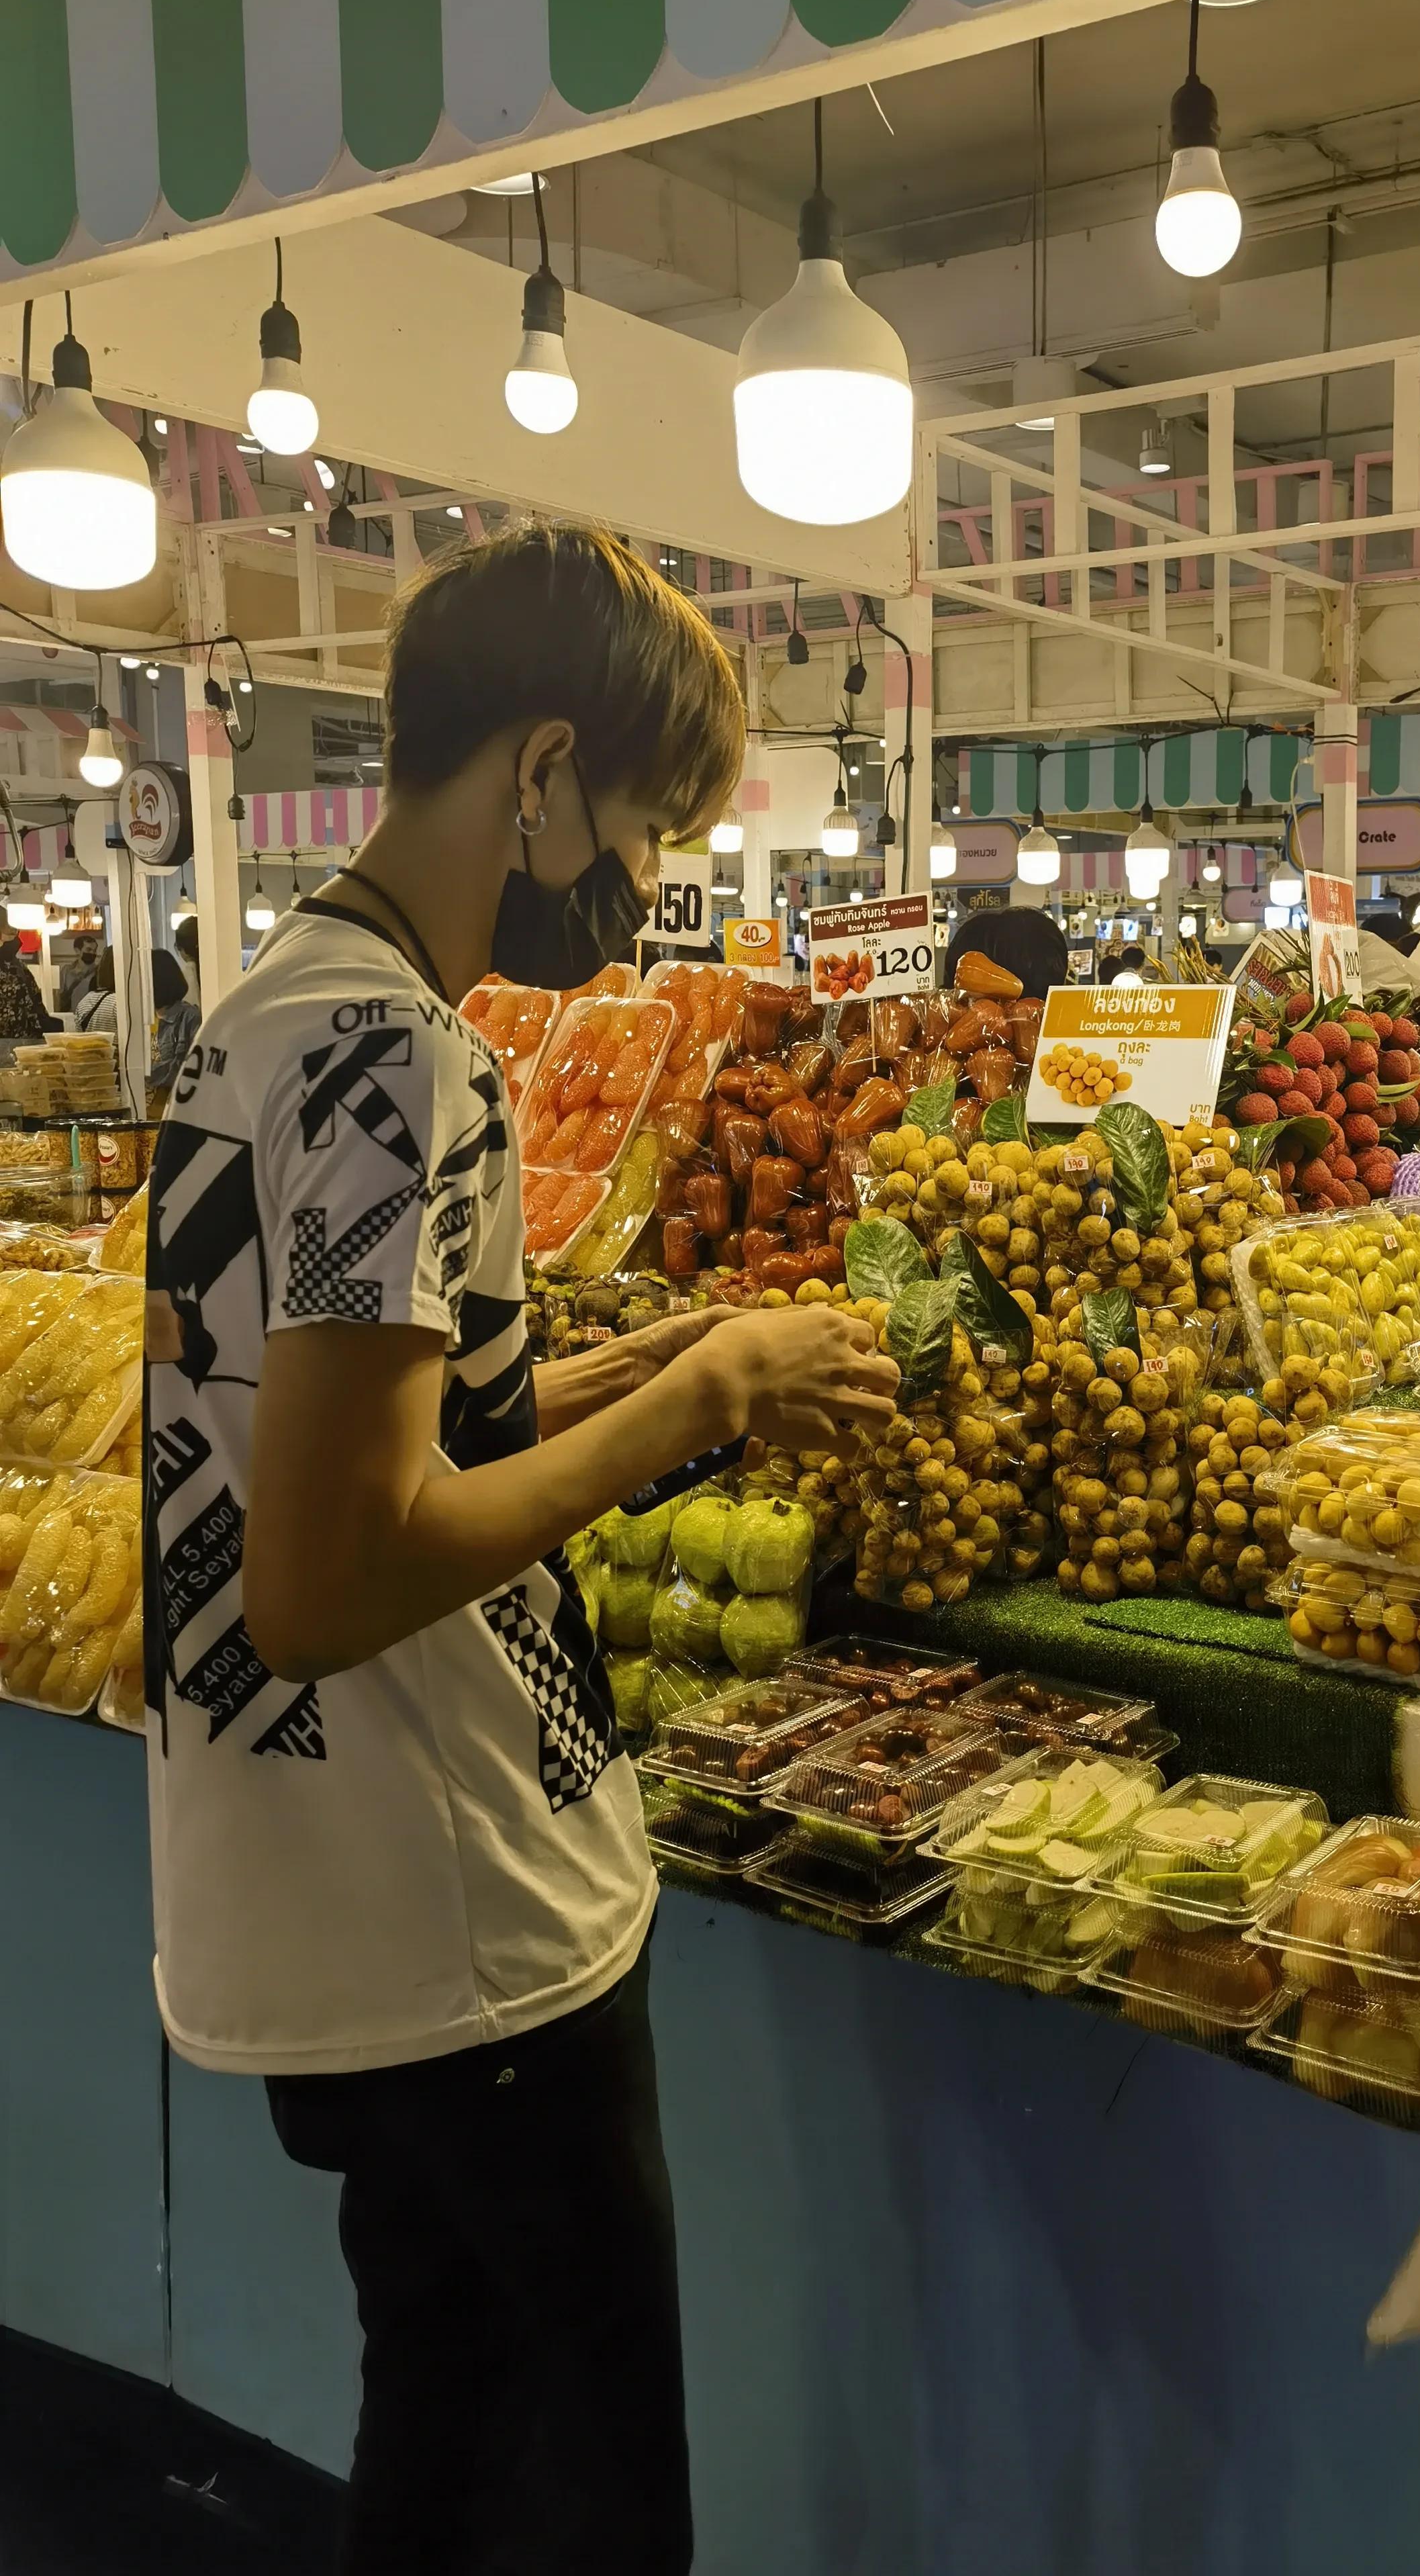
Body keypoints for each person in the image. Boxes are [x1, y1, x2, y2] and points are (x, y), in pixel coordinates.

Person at [142, 522, 901, 2576]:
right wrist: (698, 1399)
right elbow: (324, 1580)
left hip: (323, 1910)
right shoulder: (409, 1062)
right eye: (651, 828)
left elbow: (338, 1443)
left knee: (443, 2418)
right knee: (579, 2495)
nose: (645, 890)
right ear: (544, 768)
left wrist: (622, 1359)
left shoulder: (268, 1012)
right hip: (458, 1914)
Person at [144, 945, 199, 1109]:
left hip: (174, 1109)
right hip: (144, 1110)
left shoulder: (189, 1017)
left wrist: (144, 1072)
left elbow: (188, 1069)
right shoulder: (142, 1018)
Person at [0, 929, 52, 1042]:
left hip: (25, 1044)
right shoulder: (17, 967)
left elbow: (37, 1003)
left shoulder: (19, 967)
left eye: (14, 933)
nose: (14, 938)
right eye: (9, 933)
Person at [60, 931, 102, 1015]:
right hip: (69, 1015)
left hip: (87, 1016)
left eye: (95, 950)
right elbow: (60, 995)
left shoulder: (98, 972)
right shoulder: (66, 971)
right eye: (89, 950)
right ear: (77, 951)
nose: (93, 953)